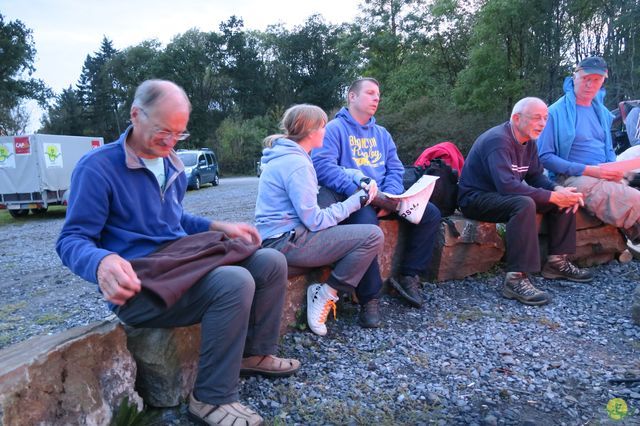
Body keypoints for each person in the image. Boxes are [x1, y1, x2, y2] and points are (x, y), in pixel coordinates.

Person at [56, 79, 299, 426]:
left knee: (271, 261)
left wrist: (218, 226)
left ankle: (255, 354)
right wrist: (101, 262)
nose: (171, 142)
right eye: (163, 131)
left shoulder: (170, 162)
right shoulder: (97, 168)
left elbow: (174, 219)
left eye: (179, 134)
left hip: (177, 264)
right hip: (140, 286)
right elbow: (72, 239)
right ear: (136, 115)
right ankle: (211, 398)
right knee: (233, 281)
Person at [255, 104, 385, 336]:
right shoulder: (297, 164)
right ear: (311, 130)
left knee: (340, 215)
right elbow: (314, 221)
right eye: (323, 126)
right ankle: (326, 294)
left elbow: (338, 170)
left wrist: (359, 177)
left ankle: (331, 290)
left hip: (277, 238)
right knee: (372, 235)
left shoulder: (288, 155)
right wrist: (357, 201)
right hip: (286, 242)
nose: (326, 131)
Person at [312, 77, 441, 308]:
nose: (376, 98)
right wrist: (363, 196)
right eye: (370, 93)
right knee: (366, 226)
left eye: (378, 95)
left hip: (386, 199)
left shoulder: (382, 134)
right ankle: (369, 299)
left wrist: (389, 197)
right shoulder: (334, 129)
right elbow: (323, 168)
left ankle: (409, 276)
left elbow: (395, 168)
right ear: (352, 96)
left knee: (429, 213)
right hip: (354, 201)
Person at [458, 97, 593, 306]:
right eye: (536, 118)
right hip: (476, 198)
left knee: (565, 198)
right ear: (516, 118)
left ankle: (557, 262)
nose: (542, 124)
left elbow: (536, 176)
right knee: (524, 203)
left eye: (545, 118)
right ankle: (515, 278)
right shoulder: (498, 141)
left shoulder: (528, 141)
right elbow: (508, 186)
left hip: (502, 196)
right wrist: (553, 196)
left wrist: (559, 190)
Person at [538, 56, 640, 244]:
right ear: (575, 77)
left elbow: (608, 147)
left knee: (627, 184)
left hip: (603, 172)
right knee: (635, 198)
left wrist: (613, 169)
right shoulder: (554, 112)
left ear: (603, 81)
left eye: (596, 80)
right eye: (586, 78)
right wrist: (588, 170)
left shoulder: (601, 112)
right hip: (569, 176)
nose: (590, 85)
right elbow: (544, 157)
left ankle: (633, 231)